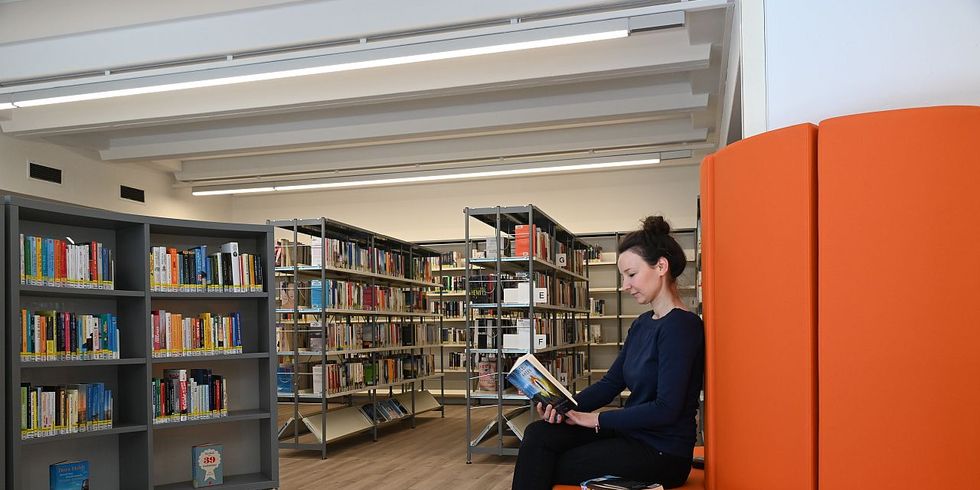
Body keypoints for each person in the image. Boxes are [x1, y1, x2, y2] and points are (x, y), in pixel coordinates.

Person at [512, 216, 705, 490]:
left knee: (553, 463)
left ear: (661, 266)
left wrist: (597, 419)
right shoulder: (642, 324)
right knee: (539, 434)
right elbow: (611, 384)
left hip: (662, 452)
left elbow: (667, 409)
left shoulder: (682, 327)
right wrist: (564, 406)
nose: (624, 285)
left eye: (631, 274)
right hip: (632, 434)